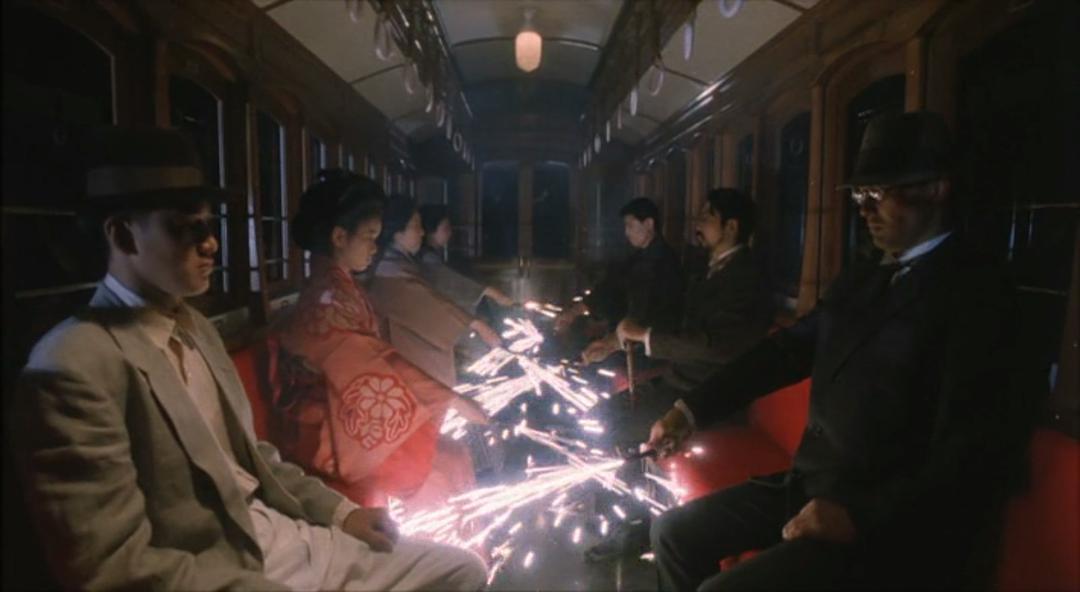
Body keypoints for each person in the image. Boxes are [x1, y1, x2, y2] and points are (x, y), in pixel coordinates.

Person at [9, 128, 487, 591]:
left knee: (461, 571)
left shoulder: (197, 330)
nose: (210, 243)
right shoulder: (71, 366)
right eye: (185, 227)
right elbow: (113, 569)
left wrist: (343, 514)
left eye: (209, 225)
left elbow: (254, 457)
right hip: (215, 566)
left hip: (282, 535)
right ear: (123, 235)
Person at [645, 111, 1037, 591]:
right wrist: (690, 410)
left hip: (894, 528)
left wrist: (860, 516)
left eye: (879, 193)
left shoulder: (979, 294)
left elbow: (974, 451)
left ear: (936, 189)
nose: (864, 209)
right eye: (859, 195)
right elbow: (787, 350)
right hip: (814, 484)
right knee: (672, 534)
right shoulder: (863, 275)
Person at [270, 170, 489, 512]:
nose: (375, 246)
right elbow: (371, 361)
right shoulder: (326, 302)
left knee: (453, 454)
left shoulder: (340, 288)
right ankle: (428, 544)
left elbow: (375, 358)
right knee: (440, 470)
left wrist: (443, 397)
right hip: (326, 426)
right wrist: (450, 398)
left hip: (346, 411)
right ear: (339, 237)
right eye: (370, 236)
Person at [611, 187, 774, 446]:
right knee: (605, 413)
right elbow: (676, 319)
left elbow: (715, 345)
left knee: (614, 428)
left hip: (711, 393)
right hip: (679, 380)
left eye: (707, 217)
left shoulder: (747, 280)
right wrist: (630, 335)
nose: (698, 224)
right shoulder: (704, 267)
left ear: (731, 227)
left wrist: (646, 335)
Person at [366, 196, 502, 388]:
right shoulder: (391, 271)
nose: (422, 232)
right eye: (416, 226)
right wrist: (476, 324)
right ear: (397, 231)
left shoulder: (401, 264)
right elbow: (431, 305)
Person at [556, 197, 684, 364]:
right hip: (627, 340)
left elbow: (648, 313)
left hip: (649, 349)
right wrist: (575, 311)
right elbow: (610, 286)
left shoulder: (665, 262)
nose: (626, 232)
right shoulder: (637, 257)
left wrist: (612, 343)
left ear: (649, 224)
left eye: (630, 225)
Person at [417, 203, 514, 312]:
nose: (450, 233)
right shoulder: (427, 259)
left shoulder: (431, 256)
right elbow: (453, 283)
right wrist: (490, 292)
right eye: (446, 228)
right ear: (430, 230)